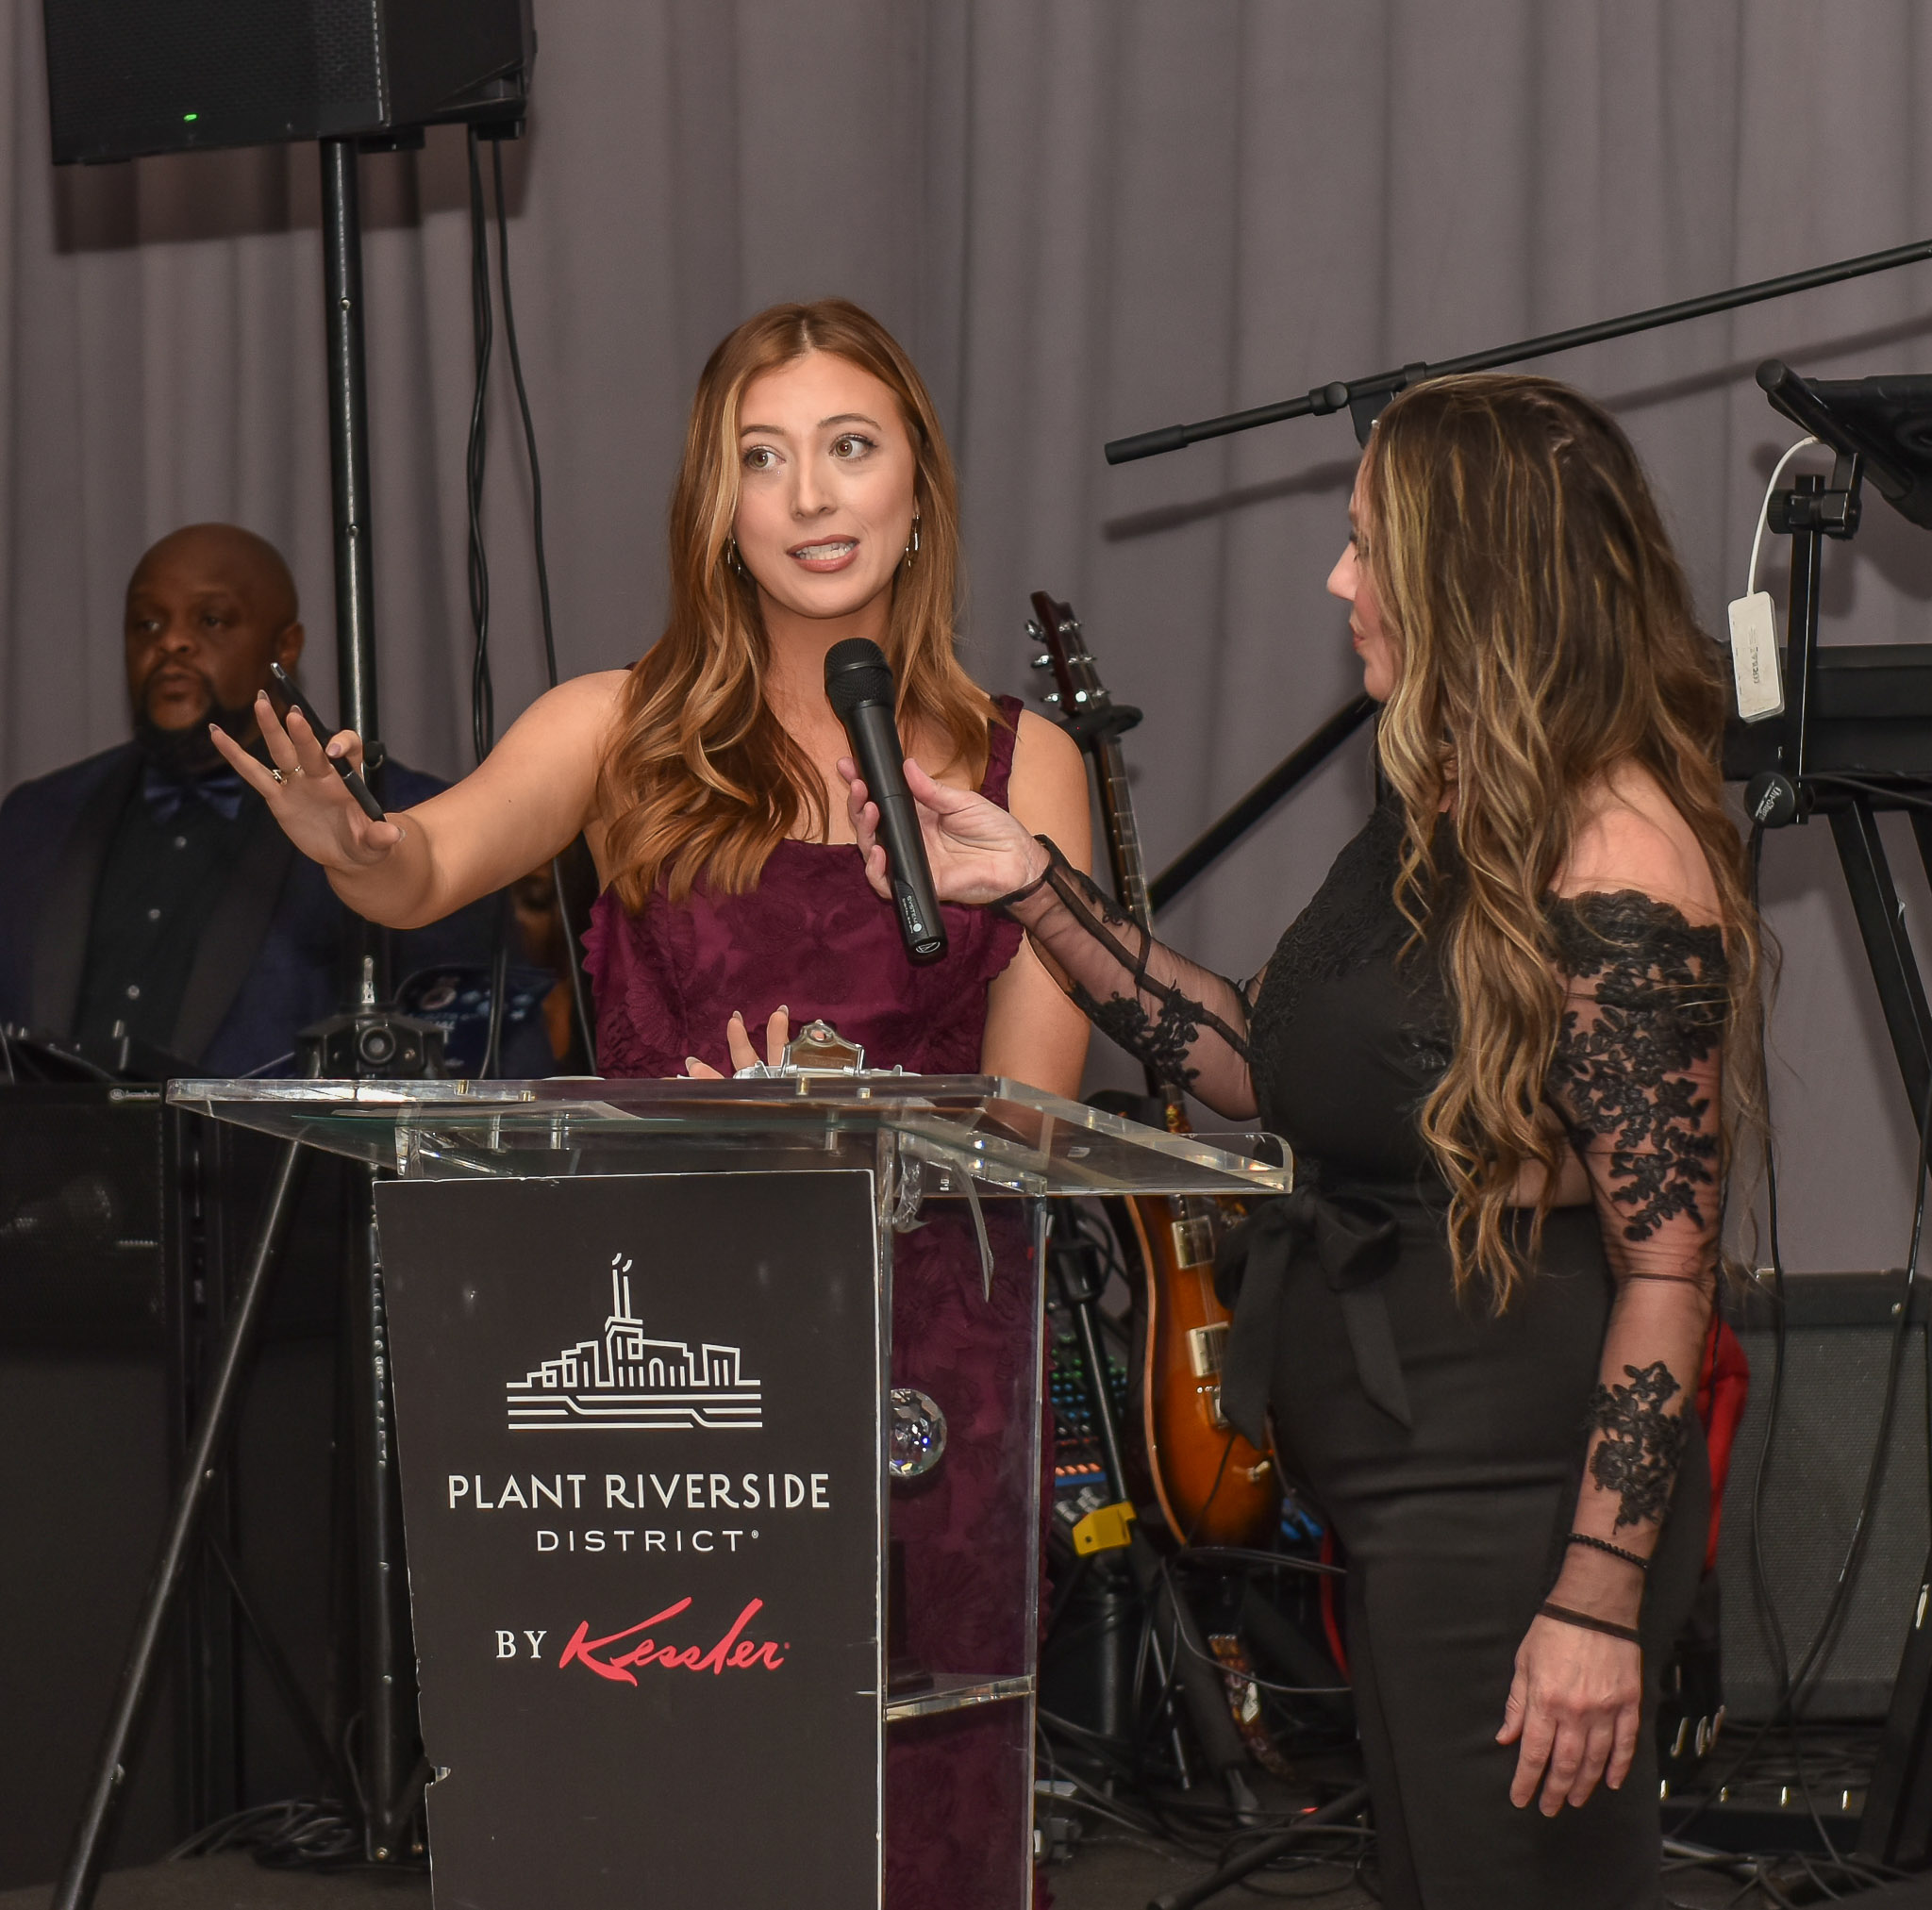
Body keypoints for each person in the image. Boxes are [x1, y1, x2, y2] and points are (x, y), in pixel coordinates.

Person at [206, 299, 1091, 1907]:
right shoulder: (616, 728)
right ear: (715, 506)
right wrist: (354, 843)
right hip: (665, 1373)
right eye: (762, 458)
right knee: (675, 1787)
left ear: (916, 489)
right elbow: (421, 868)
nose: (809, 496)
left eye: (847, 448)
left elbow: (1034, 1127)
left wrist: (842, 1125)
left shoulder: (1021, 767)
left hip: (925, 1372)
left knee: (905, 1806)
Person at [841, 374, 1760, 1909]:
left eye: (1366, 547)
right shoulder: (1438, 804)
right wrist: (1030, 887)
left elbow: (1668, 1271)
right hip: (1404, 1497)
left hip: (1514, 1501)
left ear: (1471, 572)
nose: (1339, 583)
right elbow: (1253, 1060)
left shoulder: (1616, 857)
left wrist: (1595, 1600)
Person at [0, 524, 491, 1076]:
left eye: (211, 620)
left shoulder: (403, 817)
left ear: (286, 648)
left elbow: (476, 1059)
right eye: (147, 624)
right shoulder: (33, 818)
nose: (171, 642)